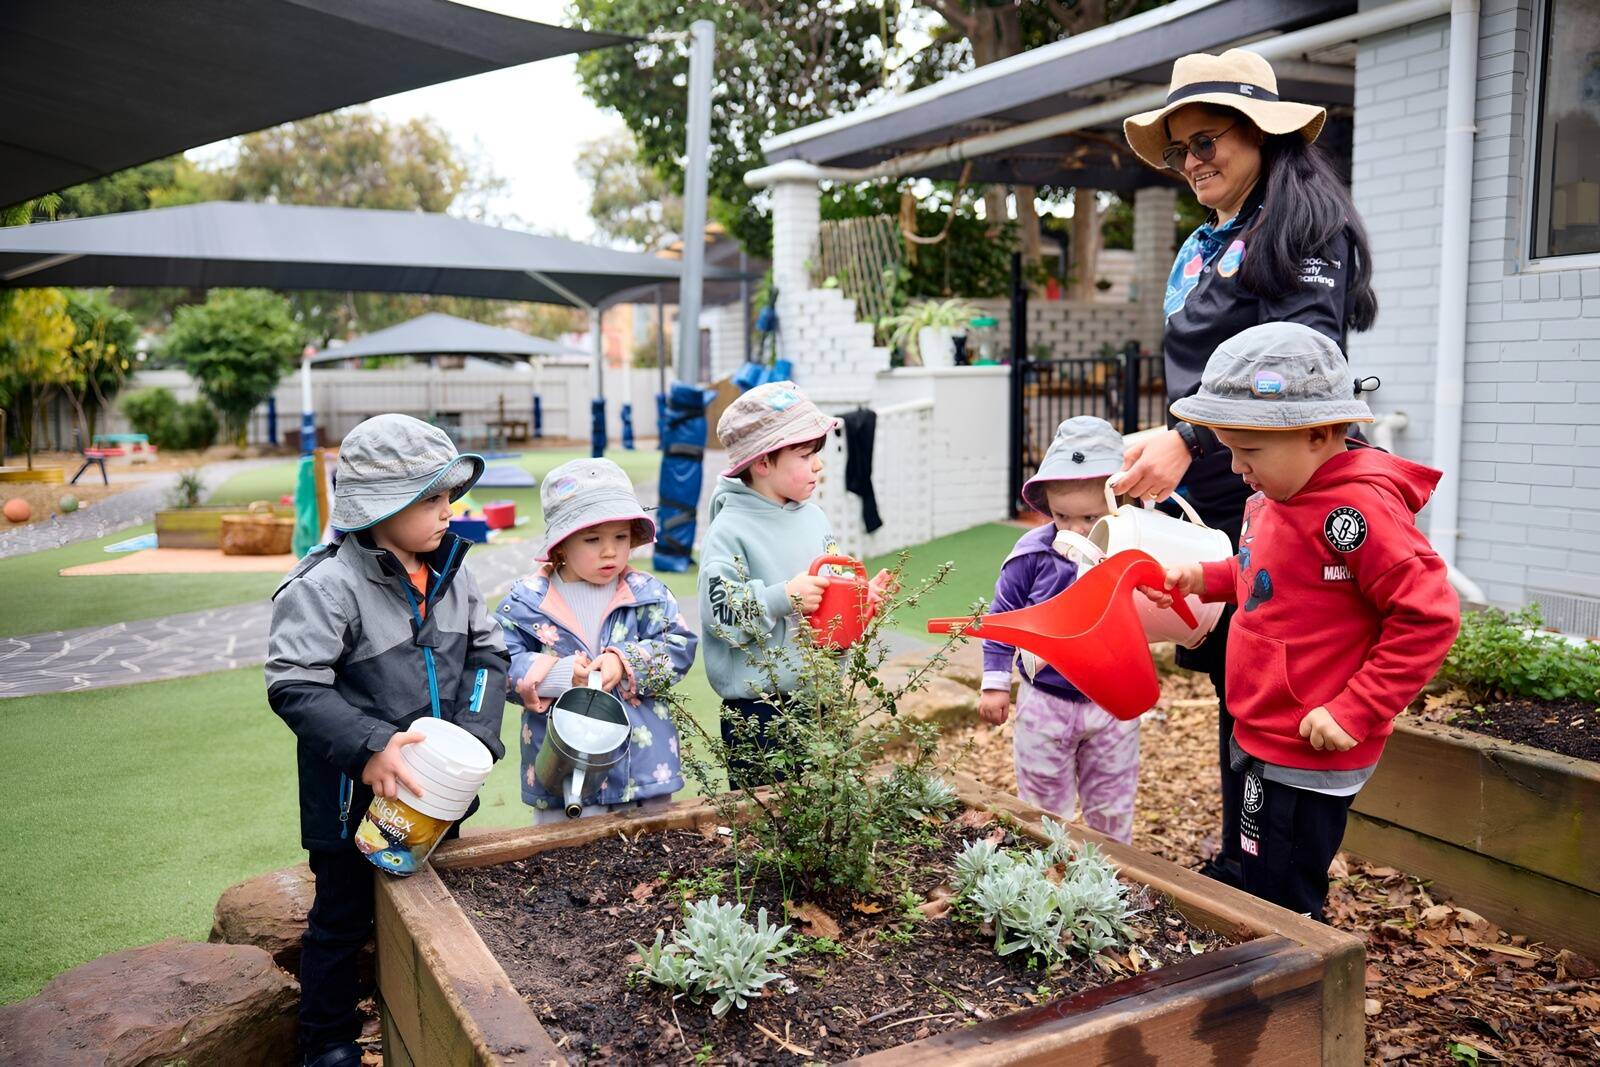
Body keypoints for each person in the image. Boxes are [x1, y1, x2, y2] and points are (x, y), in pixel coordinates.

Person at [1119, 47, 1380, 886]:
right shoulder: (1209, 243)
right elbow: (1207, 375)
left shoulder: (1305, 227)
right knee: (1245, 683)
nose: (1192, 160)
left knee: (1282, 689)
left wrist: (1189, 439)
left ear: (1262, 133)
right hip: (1238, 501)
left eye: (1208, 140)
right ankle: (1247, 865)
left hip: (1288, 502)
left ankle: (1285, 906)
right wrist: (1168, 436)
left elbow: (1298, 362)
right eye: (1178, 149)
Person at [1149, 323, 1459, 919]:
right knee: (1258, 867)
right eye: (1229, 450)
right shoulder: (1274, 496)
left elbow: (1428, 616)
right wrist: (1205, 577)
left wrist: (1356, 708)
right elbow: (1262, 576)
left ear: (1319, 433)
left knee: (1286, 895)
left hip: (1308, 744)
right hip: (1263, 727)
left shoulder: (1357, 511)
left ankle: (1293, 989)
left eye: (1250, 451)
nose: (1236, 468)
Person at [265, 414, 508, 1067]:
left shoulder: (455, 570)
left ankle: (422, 1012)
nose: (446, 509)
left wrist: (479, 733)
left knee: (431, 903)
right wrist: (372, 746)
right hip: (351, 800)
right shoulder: (325, 586)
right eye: (430, 498)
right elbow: (294, 685)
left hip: (435, 794)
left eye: (446, 494)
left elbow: (488, 656)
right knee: (341, 920)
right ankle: (328, 1039)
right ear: (381, 507)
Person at [697, 380, 892, 786]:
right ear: (762, 463)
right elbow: (722, 615)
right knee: (767, 826)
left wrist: (860, 600)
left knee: (826, 811)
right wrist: (782, 597)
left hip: (820, 695)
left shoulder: (813, 516)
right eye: (805, 455)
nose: (818, 465)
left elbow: (827, 589)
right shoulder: (729, 530)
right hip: (760, 710)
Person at [498, 458, 698, 823]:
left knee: (652, 856)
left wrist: (625, 662)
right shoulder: (527, 602)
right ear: (560, 546)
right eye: (593, 539)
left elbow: (679, 645)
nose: (610, 551)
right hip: (561, 768)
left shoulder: (647, 593)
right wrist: (556, 674)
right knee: (566, 861)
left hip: (642, 770)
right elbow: (499, 663)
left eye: (621, 537)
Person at [978, 417, 1139, 843]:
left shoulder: (1134, 551)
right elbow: (1003, 617)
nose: (1077, 531)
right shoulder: (1032, 554)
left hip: (1112, 700)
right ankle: (1046, 864)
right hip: (1045, 697)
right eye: (1063, 517)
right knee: (1043, 800)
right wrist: (995, 683)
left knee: (1112, 799)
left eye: (1090, 517)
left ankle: (1114, 873)